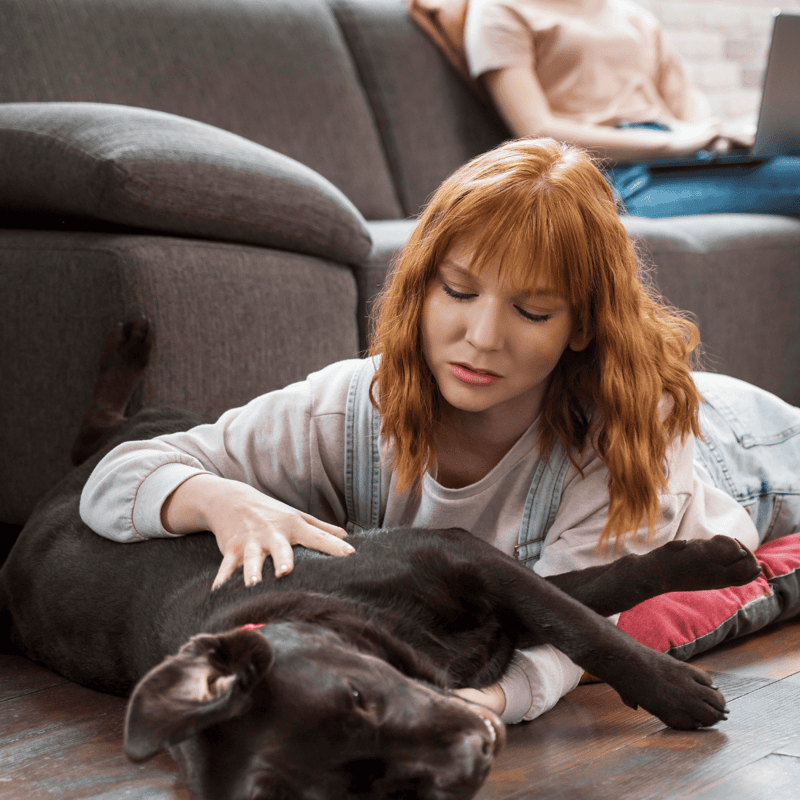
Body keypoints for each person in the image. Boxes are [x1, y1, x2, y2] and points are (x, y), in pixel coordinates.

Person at [80, 138, 800, 725]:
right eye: (458, 293)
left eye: (533, 311)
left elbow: (577, 626)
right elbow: (115, 479)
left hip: (735, 449)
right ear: (421, 286)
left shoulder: (624, 445)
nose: (481, 338)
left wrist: (492, 701)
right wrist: (222, 501)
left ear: (583, 325)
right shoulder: (350, 408)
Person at [460, 0, 800, 217]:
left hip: (684, 158)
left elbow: (689, 112)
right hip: (614, 175)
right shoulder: (500, 10)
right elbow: (534, 129)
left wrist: (724, 139)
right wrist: (671, 144)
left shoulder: (633, 16)